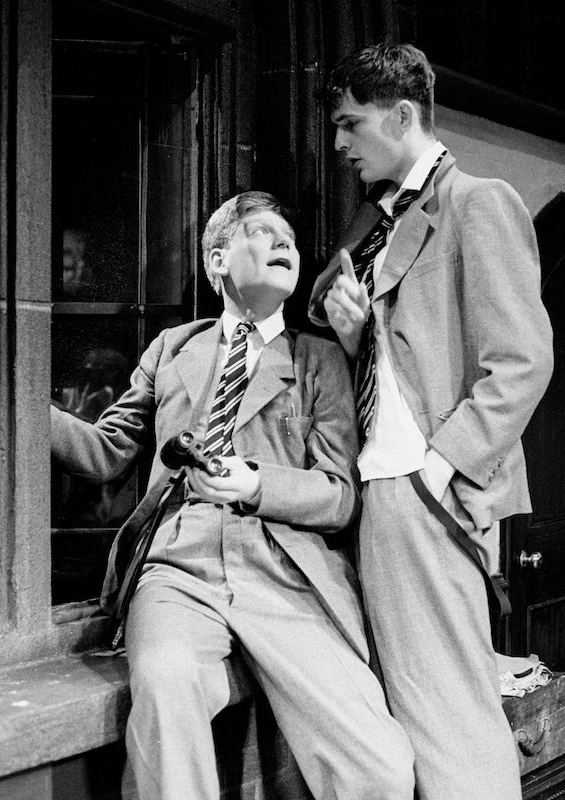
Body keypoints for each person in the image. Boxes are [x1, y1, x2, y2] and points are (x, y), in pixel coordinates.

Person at [51, 191, 415, 800]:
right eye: (263, 233)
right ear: (217, 259)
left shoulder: (319, 358)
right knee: (165, 689)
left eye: (290, 239)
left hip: (286, 571)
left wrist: (255, 484)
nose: (285, 244)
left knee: (378, 768)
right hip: (179, 567)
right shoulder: (172, 349)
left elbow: (339, 494)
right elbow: (106, 450)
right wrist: (18, 405)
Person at [308, 44, 554, 800]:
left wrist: (439, 469)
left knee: (451, 715)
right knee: (420, 706)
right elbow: (396, 358)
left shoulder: (478, 201)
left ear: (403, 115)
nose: (340, 143)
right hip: (383, 485)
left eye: (350, 123)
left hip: (428, 491)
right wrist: (356, 338)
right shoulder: (379, 219)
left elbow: (521, 362)